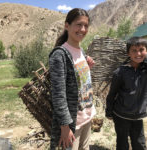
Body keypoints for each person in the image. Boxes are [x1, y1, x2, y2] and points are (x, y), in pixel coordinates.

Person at [49, 8, 96, 150]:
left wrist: (87, 65)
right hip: (72, 124)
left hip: (86, 117)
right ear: (67, 25)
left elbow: (78, 82)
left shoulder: (81, 51)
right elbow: (58, 94)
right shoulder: (59, 55)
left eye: (86, 26)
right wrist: (65, 126)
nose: (82, 29)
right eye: (78, 24)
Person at [105, 36, 147, 150]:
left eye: (142, 50)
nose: (138, 53)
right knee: (122, 144)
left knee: (140, 144)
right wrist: (109, 111)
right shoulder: (121, 72)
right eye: (134, 50)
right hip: (121, 115)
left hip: (138, 116)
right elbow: (112, 93)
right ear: (128, 53)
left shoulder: (145, 70)